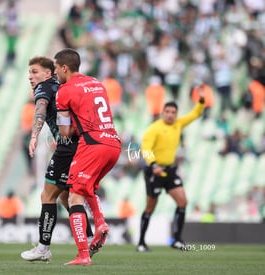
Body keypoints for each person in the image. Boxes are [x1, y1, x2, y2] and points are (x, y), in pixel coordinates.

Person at [21, 56, 94, 263]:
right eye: (29, 72)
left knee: (47, 195)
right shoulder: (61, 86)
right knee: (66, 197)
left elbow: (41, 108)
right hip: (82, 145)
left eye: (35, 72)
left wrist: (34, 135)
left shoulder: (44, 88)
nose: (30, 76)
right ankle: (89, 238)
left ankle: (43, 248)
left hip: (67, 147)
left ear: (48, 73)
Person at [54, 48, 121, 265]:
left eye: (56, 69)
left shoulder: (64, 90)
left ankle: (83, 254)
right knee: (87, 185)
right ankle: (100, 223)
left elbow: (65, 132)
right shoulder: (96, 83)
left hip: (92, 144)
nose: (55, 73)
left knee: (74, 196)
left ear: (64, 68)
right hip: (113, 143)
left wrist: (71, 122)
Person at [137, 84, 205, 252]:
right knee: (150, 207)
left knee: (183, 202)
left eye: (173, 113)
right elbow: (146, 148)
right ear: (163, 113)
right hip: (155, 170)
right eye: (167, 112)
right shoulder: (154, 128)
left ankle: (177, 240)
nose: (170, 115)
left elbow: (195, 114)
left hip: (170, 170)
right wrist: (153, 165)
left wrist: (201, 99)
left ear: (176, 114)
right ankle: (141, 242)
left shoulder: (178, 124)